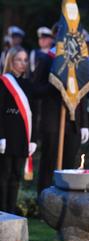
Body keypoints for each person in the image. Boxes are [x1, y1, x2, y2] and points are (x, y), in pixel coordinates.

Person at [32, 25, 89, 195]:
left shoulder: (78, 60)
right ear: (56, 36)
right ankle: (44, 201)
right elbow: (35, 90)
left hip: (73, 121)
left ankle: (65, 203)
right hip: (53, 120)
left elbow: (83, 92)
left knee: (69, 164)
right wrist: (55, 86)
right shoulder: (48, 58)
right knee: (49, 163)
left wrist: (84, 123)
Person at [0, 46, 38, 213]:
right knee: (3, 176)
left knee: (16, 176)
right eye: (18, 60)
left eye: (25, 60)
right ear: (10, 61)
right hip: (6, 136)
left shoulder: (29, 85)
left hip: (23, 136)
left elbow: (34, 114)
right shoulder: (3, 82)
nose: (22, 63)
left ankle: (11, 212)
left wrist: (34, 139)